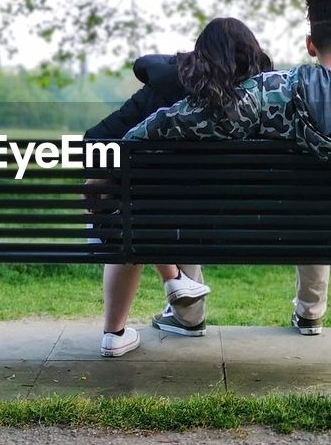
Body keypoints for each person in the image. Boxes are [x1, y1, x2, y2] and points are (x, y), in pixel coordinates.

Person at [122, 0, 331, 336]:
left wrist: (128, 142)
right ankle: (310, 312)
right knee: (321, 210)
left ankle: (188, 312)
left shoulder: (272, 92)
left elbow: (181, 121)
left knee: (305, 205)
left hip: (272, 227)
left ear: (311, 44)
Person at [92, 18, 274, 356]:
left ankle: (115, 333)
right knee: (150, 206)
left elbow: (96, 141)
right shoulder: (264, 99)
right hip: (232, 227)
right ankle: (176, 281)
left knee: (131, 208)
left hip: (156, 223)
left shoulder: (163, 88)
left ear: (198, 53)